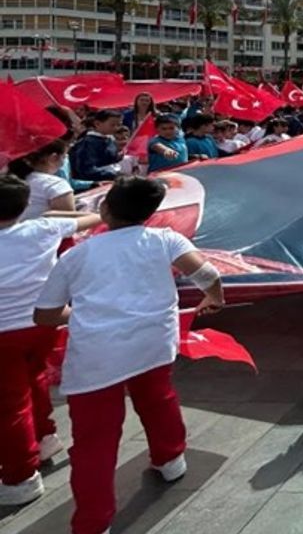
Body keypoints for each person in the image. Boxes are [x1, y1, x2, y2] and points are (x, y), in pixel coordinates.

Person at [33, 176, 225, 534]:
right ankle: (171, 459)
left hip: (97, 356)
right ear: (151, 212)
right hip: (153, 343)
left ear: (105, 209)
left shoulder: (77, 256)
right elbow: (207, 273)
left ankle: (93, 522)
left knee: (95, 440)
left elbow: (44, 314)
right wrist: (215, 296)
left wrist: (83, 314)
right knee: (158, 399)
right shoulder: (165, 239)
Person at [0, 176, 100, 506]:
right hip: (43, 323)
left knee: (10, 406)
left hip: (4, 335)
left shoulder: (40, 228)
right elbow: (92, 218)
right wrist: (50, 217)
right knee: (34, 379)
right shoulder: (42, 230)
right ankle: (45, 436)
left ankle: (20, 476)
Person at [7, 141, 75, 220]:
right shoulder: (55, 184)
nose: (64, 161)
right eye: (64, 157)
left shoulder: (10, 180)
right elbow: (67, 223)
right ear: (53, 158)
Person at [69, 110, 123, 182]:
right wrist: (113, 175)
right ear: (97, 124)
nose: (116, 128)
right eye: (112, 125)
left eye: (119, 125)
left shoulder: (109, 139)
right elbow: (86, 169)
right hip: (94, 183)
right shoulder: (88, 143)